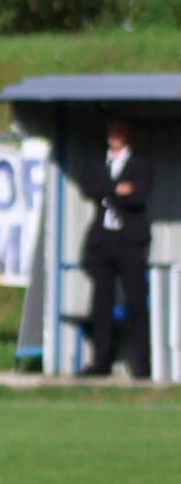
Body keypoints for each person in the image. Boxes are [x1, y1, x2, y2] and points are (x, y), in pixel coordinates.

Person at [78, 119, 154, 380]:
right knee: (102, 302)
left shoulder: (140, 164)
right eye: (112, 132)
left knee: (136, 301)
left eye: (120, 132)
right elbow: (88, 187)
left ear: (128, 135)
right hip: (103, 240)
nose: (115, 136)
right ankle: (102, 360)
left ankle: (143, 363)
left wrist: (106, 191)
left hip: (130, 241)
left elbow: (138, 196)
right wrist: (116, 188)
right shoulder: (98, 162)